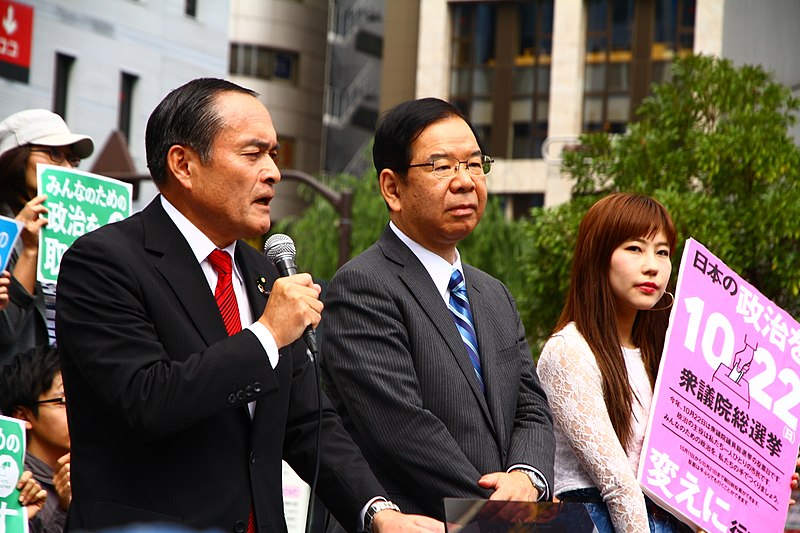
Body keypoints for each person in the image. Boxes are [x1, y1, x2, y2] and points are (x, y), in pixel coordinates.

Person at [55, 78, 442, 533]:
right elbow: (147, 400)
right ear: (183, 164)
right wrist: (268, 335)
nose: (273, 172)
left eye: (274, 155)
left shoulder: (263, 273)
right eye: (252, 153)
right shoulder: (104, 261)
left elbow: (307, 422)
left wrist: (376, 512)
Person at [319, 97, 555, 522]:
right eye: (442, 166)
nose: (465, 181)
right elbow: (403, 430)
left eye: (475, 163)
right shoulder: (363, 287)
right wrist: (503, 517)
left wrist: (527, 479)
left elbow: (532, 410)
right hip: (417, 522)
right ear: (392, 188)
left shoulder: (494, 295)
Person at [536, 192, 691, 532]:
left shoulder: (666, 353)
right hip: (600, 521)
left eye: (662, 252)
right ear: (599, 257)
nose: (652, 265)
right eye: (635, 248)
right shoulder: (570, 351)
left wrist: (762, 484)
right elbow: (619, 486)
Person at [0, 109, 94, 366]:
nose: (67, 168)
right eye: (54, 154)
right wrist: (29, 251)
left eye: (73, 160)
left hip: (64, 393)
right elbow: (6, 329)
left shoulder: (78, 230)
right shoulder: (4, 235)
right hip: (17, 397)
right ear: (16, 157)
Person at [0, 345, 71, 532]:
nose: (81, 412)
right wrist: (65, 510)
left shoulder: (95, 469)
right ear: (23, 416)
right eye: (64, 402)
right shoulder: (11, 482)